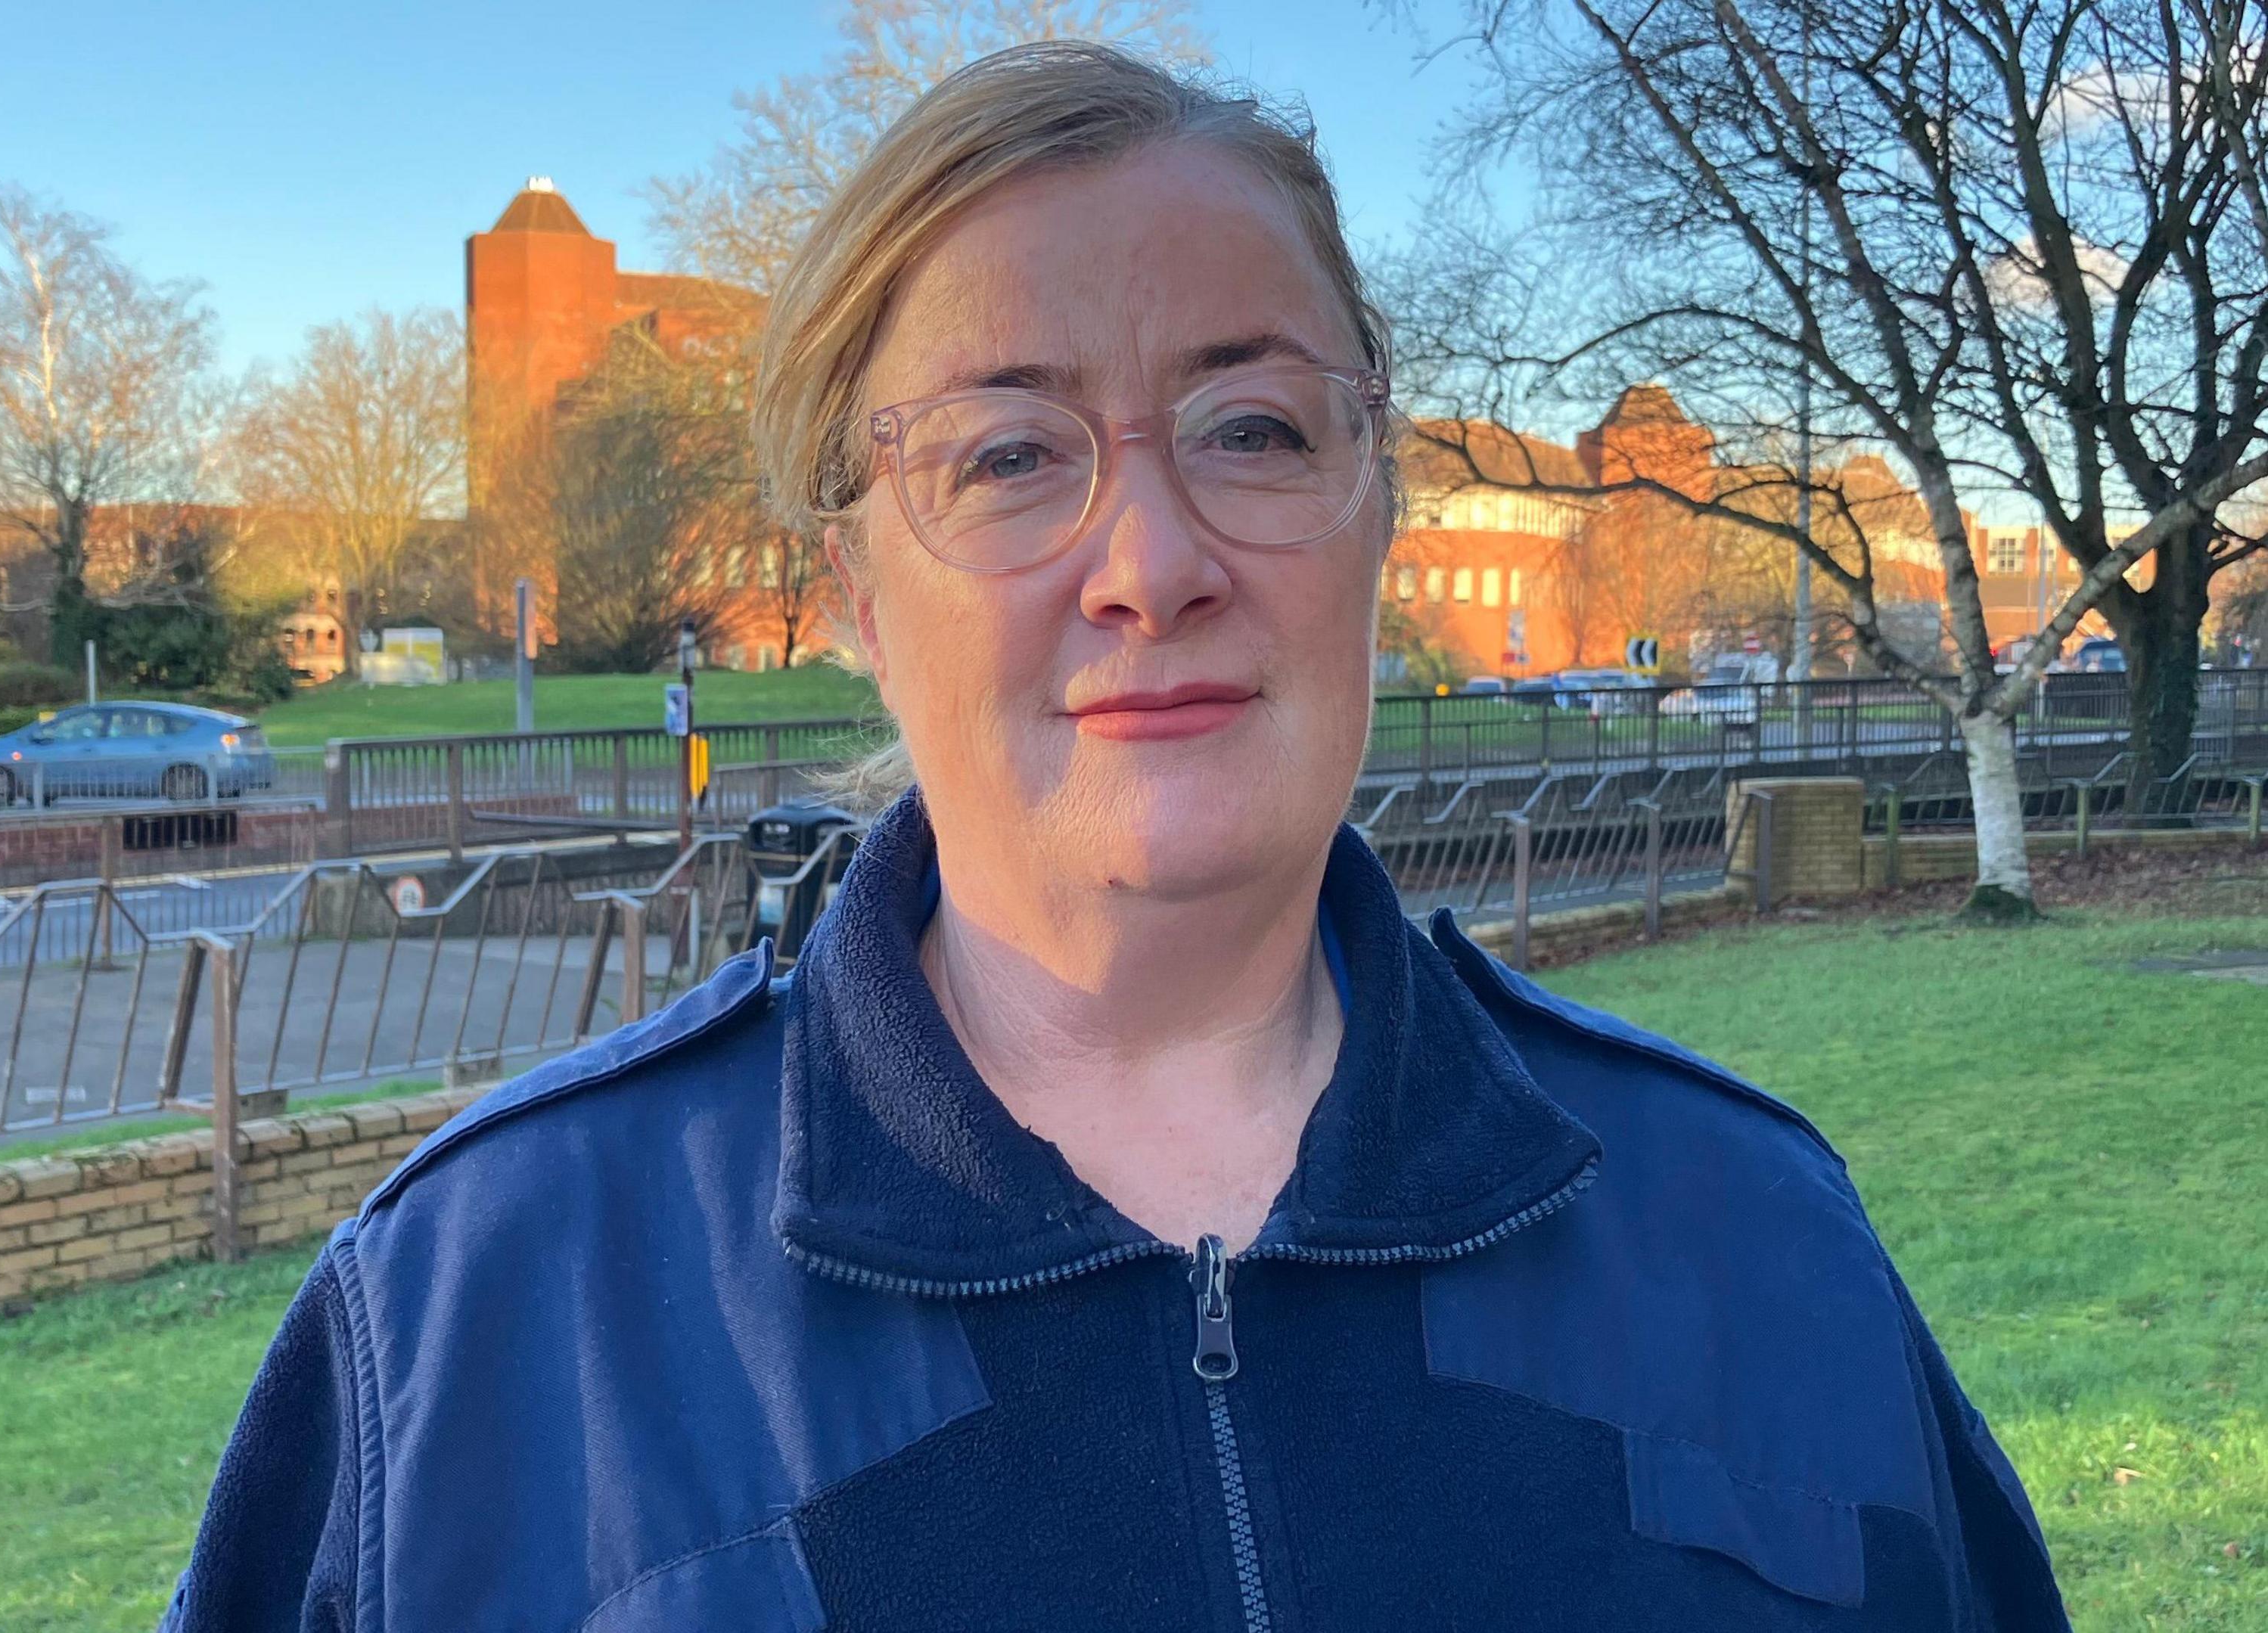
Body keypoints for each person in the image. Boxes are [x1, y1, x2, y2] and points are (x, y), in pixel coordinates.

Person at [163, 42, 2068, 1631]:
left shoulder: (1757, 1242)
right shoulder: (477, 1328)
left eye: (1250, 429)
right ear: (846, 587)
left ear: (1375, 510)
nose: (1151, 564)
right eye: (1006, 456)